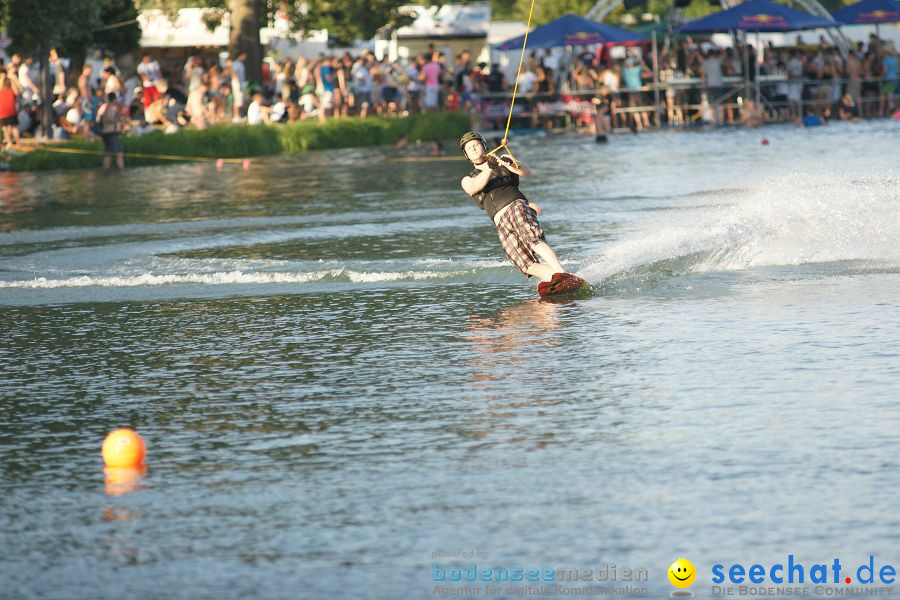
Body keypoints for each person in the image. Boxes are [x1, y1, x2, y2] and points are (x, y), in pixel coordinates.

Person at [459, 131, 574, 292]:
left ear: (484, 146)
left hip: (515, 206)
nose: (473, 148)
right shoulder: (468, 179)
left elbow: (526, 171)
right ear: (467, 156)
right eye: (469, 148)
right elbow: (473, 188)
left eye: (476, 145)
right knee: (522, 262)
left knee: (531, 238)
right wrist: (489, 169)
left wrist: (509, 163)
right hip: (501, 223)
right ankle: (553, 278)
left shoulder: (503, 159)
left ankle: (561, 272)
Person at [96, 92, 127, 171]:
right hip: (111, 133)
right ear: (114, 99)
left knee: (108, 154)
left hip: (107, 132)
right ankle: (121, 170)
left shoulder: (107, 107)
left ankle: (106, 170)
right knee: (119, 153)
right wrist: (118, 118)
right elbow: (108, 119)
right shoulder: (109, 107)